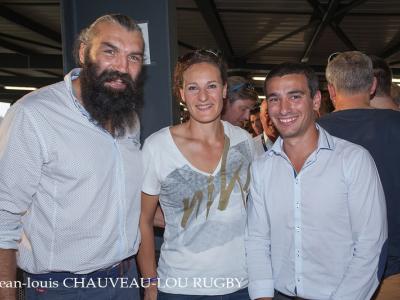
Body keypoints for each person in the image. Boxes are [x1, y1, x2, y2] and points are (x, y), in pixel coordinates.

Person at [0, 14, 145, 300]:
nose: (122, 67)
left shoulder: (128, 117)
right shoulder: (34, 114)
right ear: (82, 52)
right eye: (110, 51)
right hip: (62, 288)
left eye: (134, 57)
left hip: (125, 279)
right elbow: (4, 215)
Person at [246, 62, 387, 300]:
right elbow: (257, 241)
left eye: (295, 96)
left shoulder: (353, 160)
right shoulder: (262, 168)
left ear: (316, 101)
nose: (283, 109)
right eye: (274, 99)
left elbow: (370, 245)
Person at [138, 49, 254, 300]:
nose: (203, 96)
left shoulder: (244, 142)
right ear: (181, 94)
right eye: (193, 88)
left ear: (224, 89)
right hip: (179, 288)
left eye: (211, 86)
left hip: (240, 285)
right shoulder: (157, 147)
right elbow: (142, 220)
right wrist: (149, 284)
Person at [318, 51, 400, 300]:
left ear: (331, 91)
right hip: (394, 271)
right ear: (373, 85)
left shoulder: (313, 135)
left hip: (334, 275)